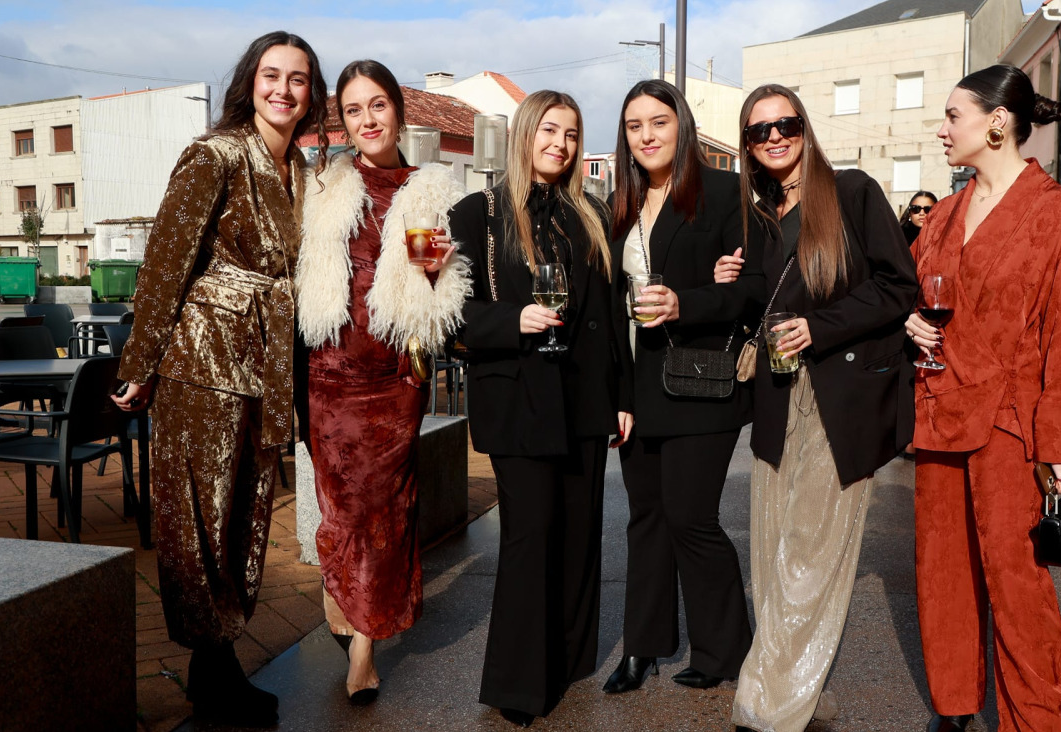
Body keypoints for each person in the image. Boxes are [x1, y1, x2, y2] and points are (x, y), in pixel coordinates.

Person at [112, 31, 329, 727]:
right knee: (198, 521)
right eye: (272, 75)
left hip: (263, 369)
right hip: (203, 364)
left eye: (298, 79)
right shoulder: (214, 155)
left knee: (246, 513)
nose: (284, 90)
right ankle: (213, 665)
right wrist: (140, 365)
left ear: (311, 93)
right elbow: (166, 262)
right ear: (249, 81)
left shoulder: (299, 169)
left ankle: (218, 661)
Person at [904, 65, 1061, 732]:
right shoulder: (941, 214)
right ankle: (956, 703)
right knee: (942, 571)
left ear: (998, 122)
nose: (941, 129)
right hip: (940, 406)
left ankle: (1043, 717)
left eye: (952, 116)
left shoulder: (1051, 210)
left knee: (1016, 580)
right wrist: (908, 321)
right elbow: (914, 295)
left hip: (1009, 421)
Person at [712, 85, 917, 731]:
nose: (773, 137)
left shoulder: (851, 193)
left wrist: (820, 329)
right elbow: (757, 299)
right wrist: (729, 280)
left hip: (840, 399)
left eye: (785, 124)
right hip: (776, 400)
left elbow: (898, 286)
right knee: (775, 556)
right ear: (747, 146)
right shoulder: (758, 215)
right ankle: (803, 692)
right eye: (758, 131)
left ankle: (769, 707)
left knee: (813, 551)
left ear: (804, 127)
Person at [448, 90, 631, 727]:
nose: (560, 143)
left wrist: (623, 399)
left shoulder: (592, 215)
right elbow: (447, 314)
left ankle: (571, 659)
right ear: (525, 134)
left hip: (583, 399)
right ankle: (518, 685)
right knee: (530, 537)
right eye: (549, 130)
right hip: (519, 399)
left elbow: (610, 319)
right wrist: (510, 318)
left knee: (581, 534)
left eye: (572, 134)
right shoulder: (478, 212)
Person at [296, 60, 470, 705]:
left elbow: (448, 299)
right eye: (353, 110)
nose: (367, 120)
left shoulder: (435, 189)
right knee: (340, 505)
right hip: (329, 368)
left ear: (399, 110)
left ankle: (365, 645)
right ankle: (343, 588)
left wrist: (439, 275)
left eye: (378, 106)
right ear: (342, 121)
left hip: (396, 375)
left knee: (381, 508)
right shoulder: (321, 186)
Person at [601, 78, 762, 698]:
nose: (646, 135)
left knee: (691, 517)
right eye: (634, 125)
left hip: (701, 383)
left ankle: (724, 649)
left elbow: (750, 288)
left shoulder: (722, 192)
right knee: (645, 520)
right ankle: (642, 649)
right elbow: (613, 311)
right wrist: (616, 396)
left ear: (681, 126)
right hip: (639, 387)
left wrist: (685, 303)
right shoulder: (617, 205)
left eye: (658, 122)